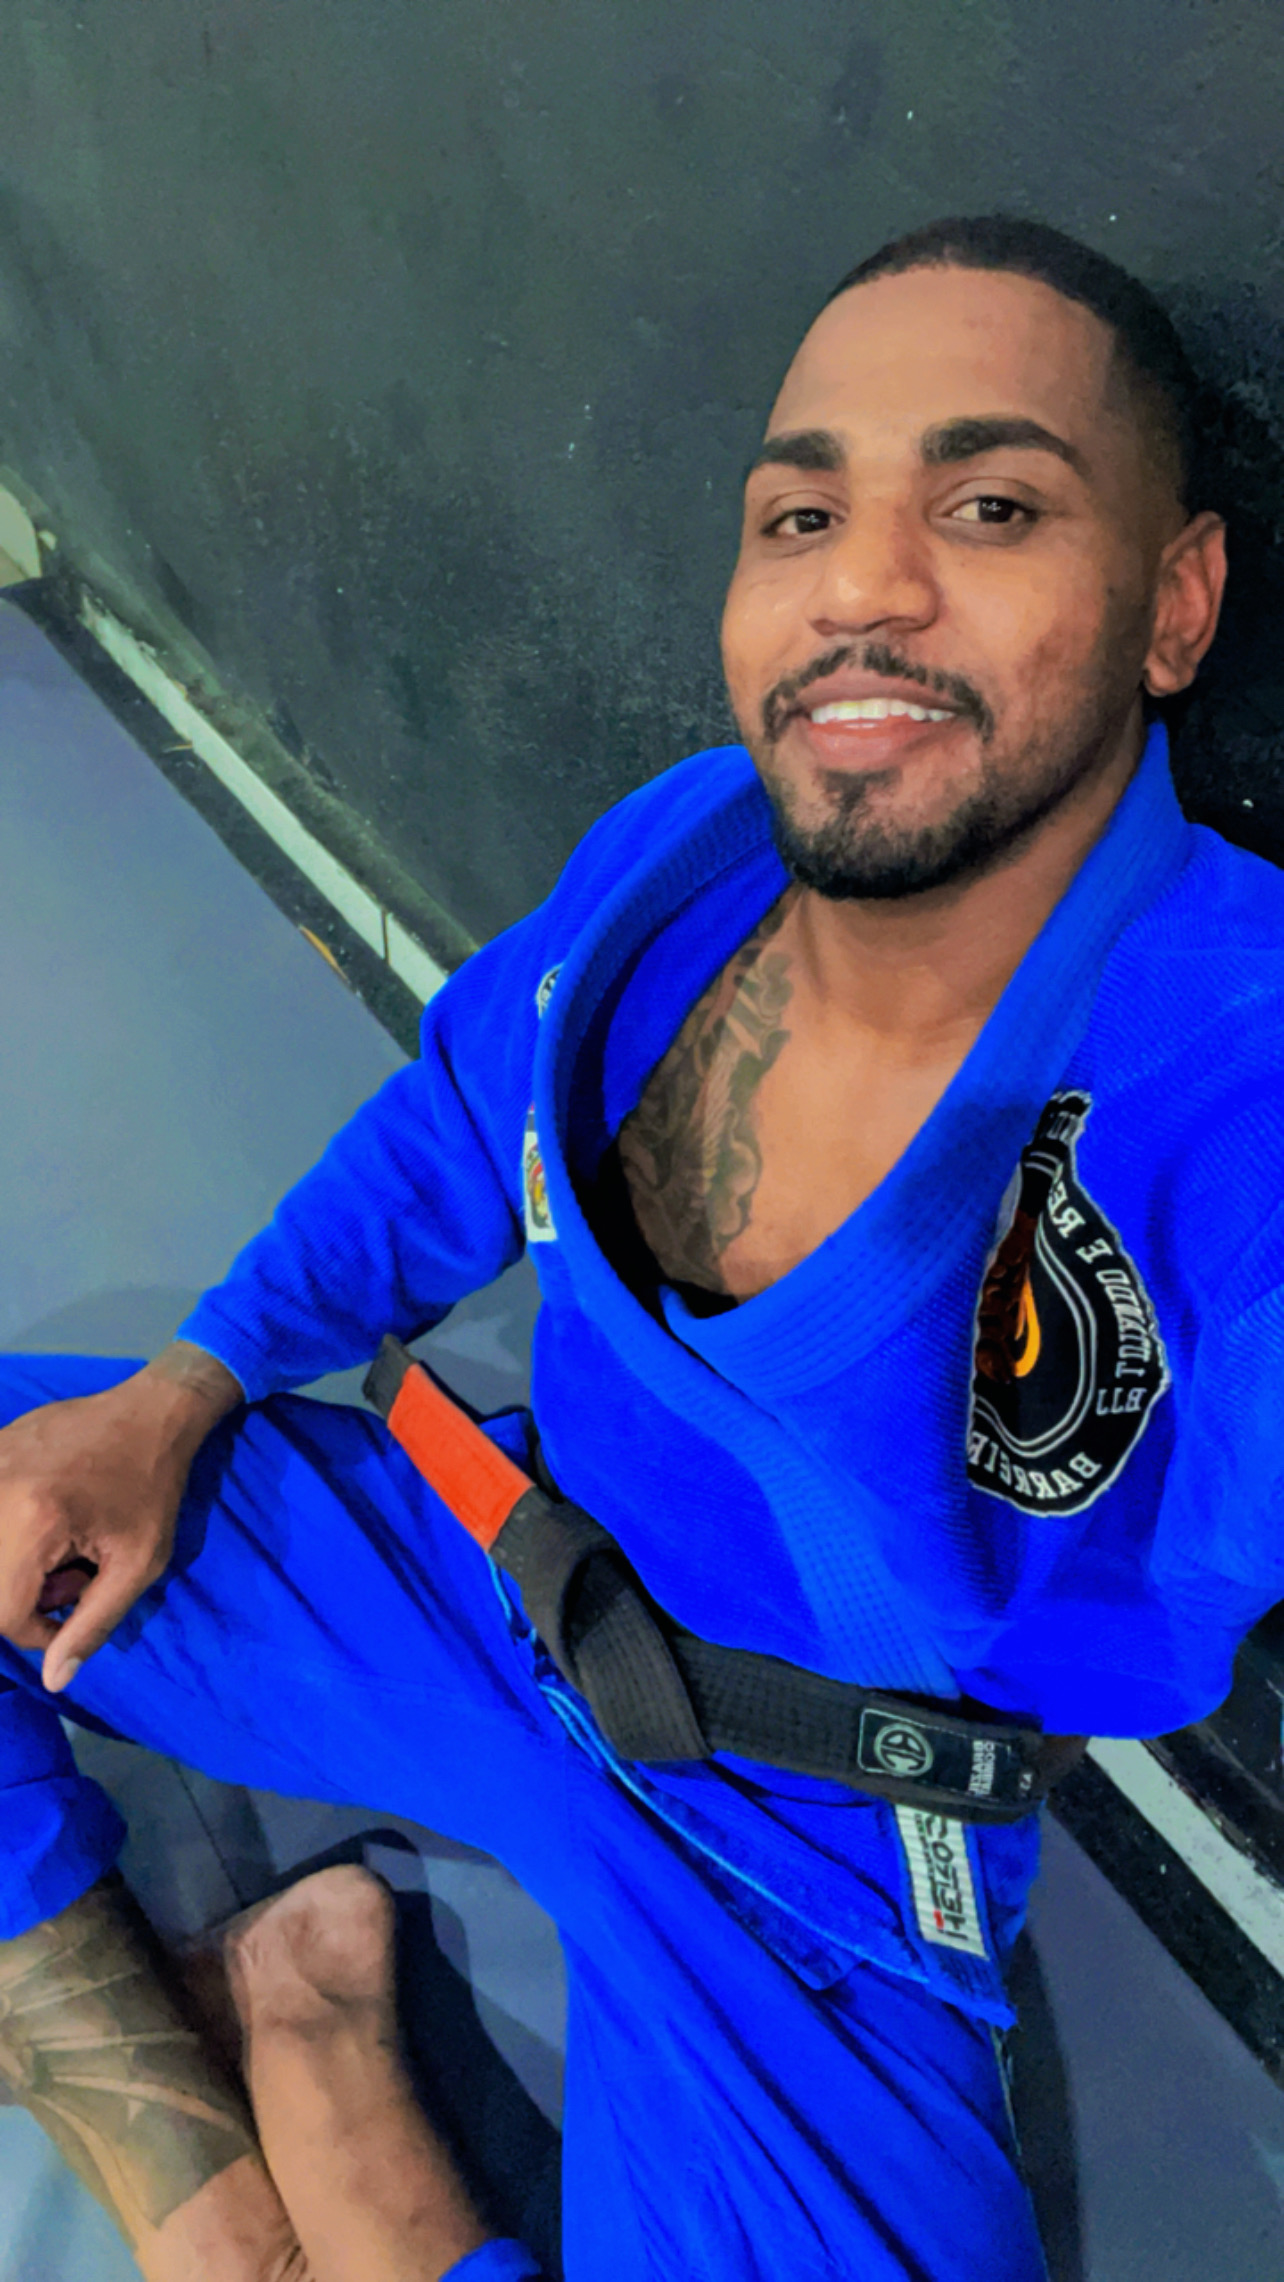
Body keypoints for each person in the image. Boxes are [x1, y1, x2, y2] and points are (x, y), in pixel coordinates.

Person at [0, 209, 1275, 2282]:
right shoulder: (679, 853)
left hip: (812, 1867)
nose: (861, 585)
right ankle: (205, 2187)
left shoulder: (1229, 1062)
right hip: (485, 1577)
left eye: (990, 504)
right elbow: (452, 1126)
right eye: (800, 515)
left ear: (1175, 602)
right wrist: (188, 1383)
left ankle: (319, 2040)